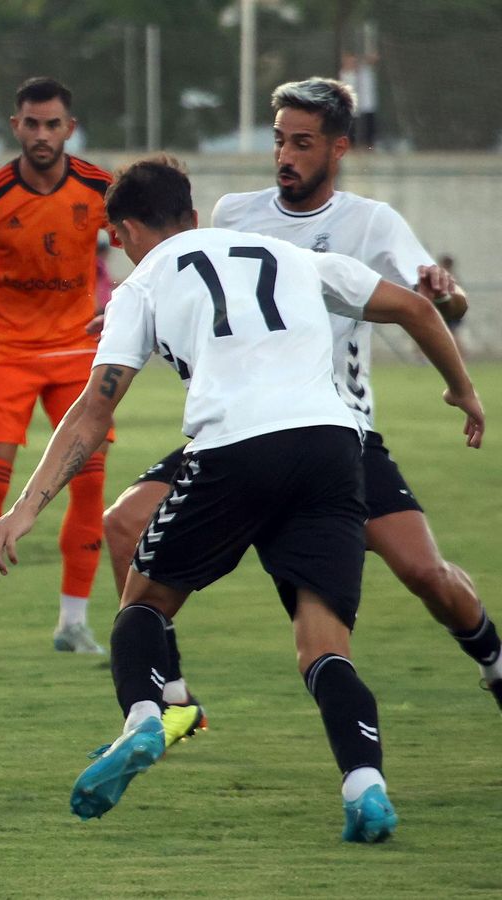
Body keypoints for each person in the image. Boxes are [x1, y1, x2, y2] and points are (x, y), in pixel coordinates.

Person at [0, 156, 482, 842]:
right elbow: (416, 307)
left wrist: (25, 509)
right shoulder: (290, 255)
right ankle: (366, 788)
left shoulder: (141, 284)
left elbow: (94, 412)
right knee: (324, 645)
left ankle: (147, 717)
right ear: (190, 214)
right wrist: (463, 390)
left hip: (235, 449)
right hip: (333, 447)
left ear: (122, 233)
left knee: (144, 602)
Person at [100, 79, 492, 749]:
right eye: (280, 140)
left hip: (340, 427)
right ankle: (173, 699)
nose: (285, 155)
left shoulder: (373, 222)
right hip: (243, 424)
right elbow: (195, 281)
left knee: (425, 573)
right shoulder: (235, 213)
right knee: (123, 523)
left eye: (303, 143)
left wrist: (448, 300)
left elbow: (432, 303)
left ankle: (493, 660)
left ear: (339, 148)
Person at [0, 76, 114, 657]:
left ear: (69, 128)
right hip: (7, 353)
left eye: (52, 124)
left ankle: (73, 623)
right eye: (31, 124)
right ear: (16, 126)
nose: (42, 135)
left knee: (89, 480)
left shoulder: (99, 188)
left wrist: (132, 307)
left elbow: (146, 243)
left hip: (77, 352)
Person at [339, 53, 379, 149]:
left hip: (367, 106)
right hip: (352, 108)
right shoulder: (344, 74)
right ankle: (352, 148)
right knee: (351, 131)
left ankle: (369, 149)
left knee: (369, 131)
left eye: (353, 61)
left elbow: (373, 59)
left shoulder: (364, 72)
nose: (351, 63)